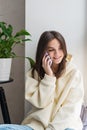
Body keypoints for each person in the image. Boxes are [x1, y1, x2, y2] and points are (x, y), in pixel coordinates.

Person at [0, 31, 84, 130]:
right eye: (51, 50)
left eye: (60, 48)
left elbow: (71, 111)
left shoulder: (74, 73)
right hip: (36, 126)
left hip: (65, 127)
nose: (57, 53)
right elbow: (41, 103)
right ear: (43, 52)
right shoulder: (33, 73)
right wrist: (49, 76)